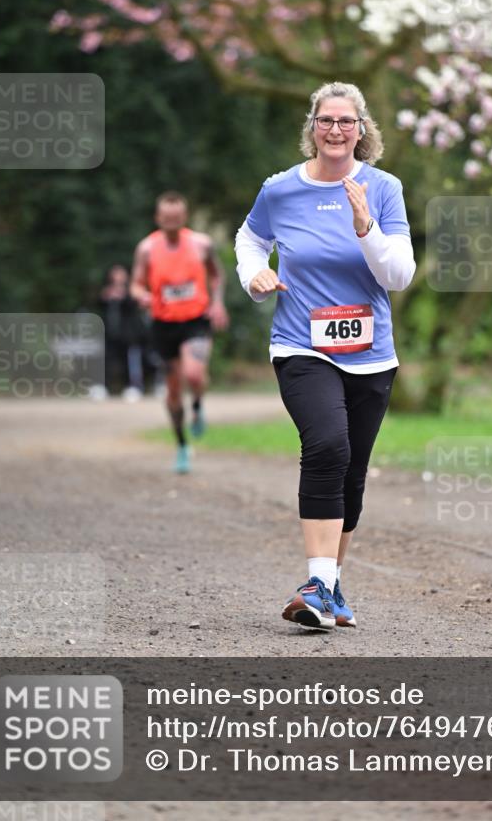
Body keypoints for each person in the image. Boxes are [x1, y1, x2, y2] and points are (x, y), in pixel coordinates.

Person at [235, 82, 416, 631]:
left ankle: (330, 590)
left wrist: (367, 230)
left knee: (352, 472)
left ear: (362, 130)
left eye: (346, 121)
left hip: (371, 354)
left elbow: (399, 276)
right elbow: (247, 239)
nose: (335, 130)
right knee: (327, 445)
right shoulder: (280, 190)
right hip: (301, 345)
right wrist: (255, 275)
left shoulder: (383, 188)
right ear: (312, 127)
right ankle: (317, 582)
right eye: (325, 120)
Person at [131, 192, 229, 473]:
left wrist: (217, 302)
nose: (172, 224)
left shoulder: (201, 244)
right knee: (173, 391)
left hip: (195, 319)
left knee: (194, 373)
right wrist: (143, 296)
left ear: (183, 218)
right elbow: (136, 284)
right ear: (158, 219)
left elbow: (217, 274)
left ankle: (197, 405)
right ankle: (183, 445)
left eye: (176, 219)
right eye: (166, 219)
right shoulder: (147, 249)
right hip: (163, 324)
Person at [98, 264, 147, 400]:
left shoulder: (132, 290)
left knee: (130, 361)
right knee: (106, 359)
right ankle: (103, 387)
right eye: (115, 274)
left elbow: (135, 306)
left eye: (120, 274)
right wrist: (106, 297)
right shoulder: (107, 291)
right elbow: (99, 305)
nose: (118, 277)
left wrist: (124, 297)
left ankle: (134, 387)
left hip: (129, 335)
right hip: (110, 333)